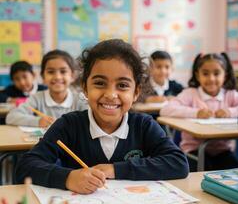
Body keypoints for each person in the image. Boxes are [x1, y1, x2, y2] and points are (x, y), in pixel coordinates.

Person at [15, 39, 189, 192]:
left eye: (122, 85)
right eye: (99, 83)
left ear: (136, 92)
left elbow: (178, 163)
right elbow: (26, 167)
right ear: (85, 87)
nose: (110, 94)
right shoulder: (68, 125)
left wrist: (114, 169)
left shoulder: (143, 125)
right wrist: (67, 178)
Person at [160, 52, 238, 171]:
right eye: (205, 73)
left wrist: (231, 111)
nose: (211, 78)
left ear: (224, 75)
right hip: (193, 151)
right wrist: (196, 113)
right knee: (200, 174)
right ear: (198, 75)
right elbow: (166, 109)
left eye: (216, 73)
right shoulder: (191, 93)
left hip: (223, 152)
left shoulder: (230, 95)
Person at [6, 50, 87, 127]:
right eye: (51, 72)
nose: (57, 77)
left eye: (63, 71)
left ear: (72, 76)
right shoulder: (37, 98)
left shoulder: (80, 99)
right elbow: (11, 117)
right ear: (43, 77)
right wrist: (38, 121)